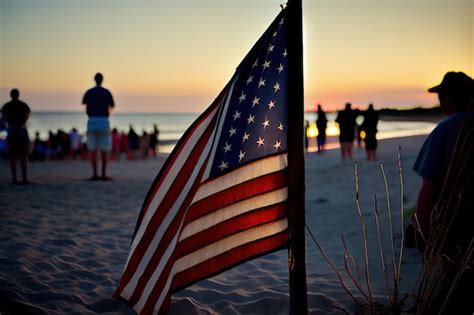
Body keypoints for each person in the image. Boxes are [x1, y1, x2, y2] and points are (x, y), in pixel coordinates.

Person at [412, 71, 473, 312]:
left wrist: (425, 236)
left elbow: (428, 189)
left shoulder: (446, 130)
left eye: (441, 96)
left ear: (448, 99)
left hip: (455, 229)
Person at [82, 73, 115, 180]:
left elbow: (85, 104)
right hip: (103, 120)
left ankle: (95, 174)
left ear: (94, 80)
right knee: (104, 149)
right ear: (102, 80)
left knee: (93, 149)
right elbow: (112, 106)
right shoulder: (106, 92)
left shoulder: (89, 92)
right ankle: (104, 174)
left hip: (92, 120)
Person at [1, 89, 31, 184]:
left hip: (12, 130)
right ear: (18, 95)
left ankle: (14, 178)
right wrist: (22, 123)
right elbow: (27, 115)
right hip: (21, 130)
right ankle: (24, 178)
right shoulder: (23, 105)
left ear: (11, 95)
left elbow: (4, 119)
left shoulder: (6, 106)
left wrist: (8, 125)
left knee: (12, 156)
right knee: (23, 155)